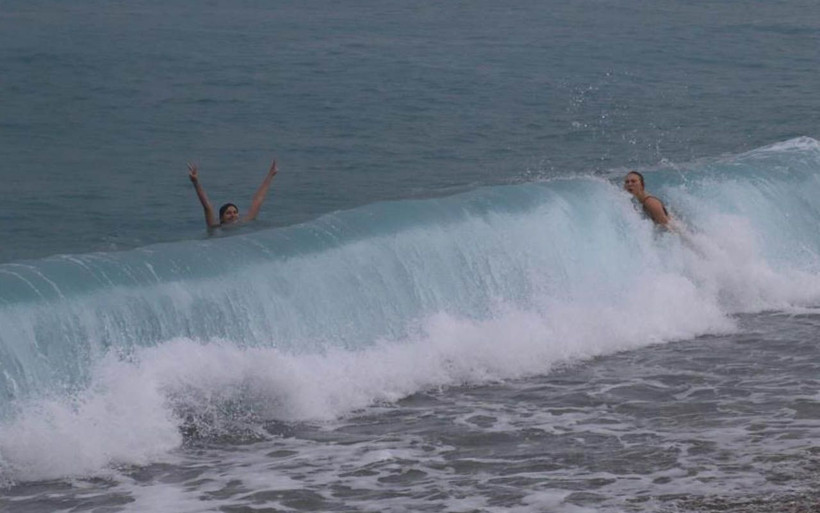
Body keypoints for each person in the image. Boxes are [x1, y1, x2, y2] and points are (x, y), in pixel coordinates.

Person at [188, 160, 278, 229]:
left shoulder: (243, 222)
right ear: (221, 218)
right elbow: (207, 206)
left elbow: (258, 200)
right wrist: (195, 182)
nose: (233, 215)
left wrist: (271, 175)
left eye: (235, 212)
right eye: (228, 213)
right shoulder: (215, 226)